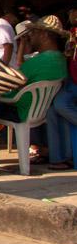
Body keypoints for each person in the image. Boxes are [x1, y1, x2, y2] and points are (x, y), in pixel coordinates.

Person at [0, 15, 68, 124]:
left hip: (21, 112)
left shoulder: (40, 61)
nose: (30, 35)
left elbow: (12, 82)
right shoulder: (60, 59)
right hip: (41, 113)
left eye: (34, 32)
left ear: (44, 35)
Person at [47, 10, 77, 169]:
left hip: (73, 84)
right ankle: (60, 159)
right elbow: (69, 55)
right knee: (52, 110)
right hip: (72, 81)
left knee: (60, 104)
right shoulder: (72, 34)